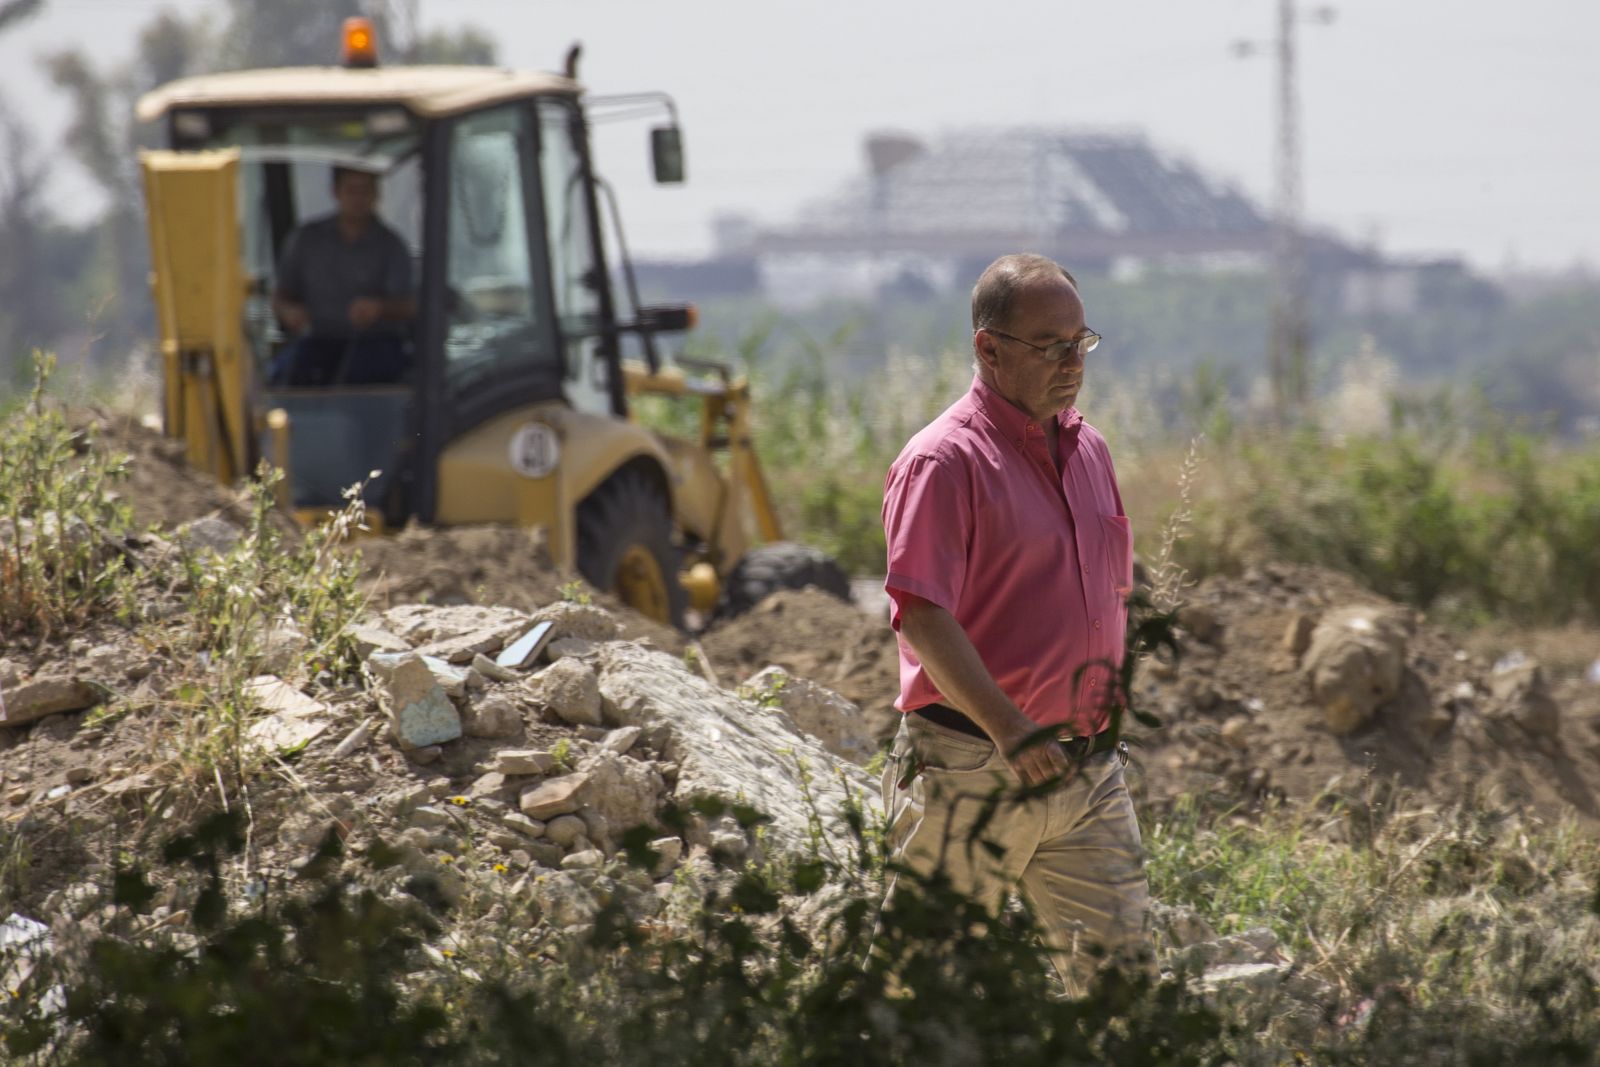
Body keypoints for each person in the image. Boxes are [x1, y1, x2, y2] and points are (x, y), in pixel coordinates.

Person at [878, 253, 1150, 997]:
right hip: (976, 764)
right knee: (919, 990)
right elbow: (922, 615)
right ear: (988, 348)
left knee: (1125, 988)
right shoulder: (942, 461)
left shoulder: (1088, 449)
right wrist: (1011, 728)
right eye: (1049, 345)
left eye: (1080, 341)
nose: (1072, 362)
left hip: (1087, 771)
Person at [270, 165, 416, 386]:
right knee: (283, 376)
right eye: (351, 190)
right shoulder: (307, 240)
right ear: (336, 192)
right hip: (317, 338)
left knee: (363, 374)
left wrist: (379, 308)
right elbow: (282, 295)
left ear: (376, 194)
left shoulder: (391, 246)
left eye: (365, 190)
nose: (358, 198)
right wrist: (289, 312)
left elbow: (409, 306)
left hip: (375, 342)